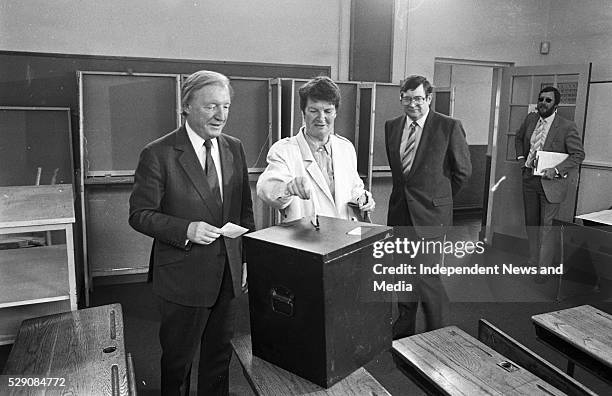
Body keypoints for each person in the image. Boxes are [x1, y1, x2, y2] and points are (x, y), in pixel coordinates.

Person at [129, 70, 254, 395]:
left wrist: (246, 261)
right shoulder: (158, 153)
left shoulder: (234, 148)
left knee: (218, 360)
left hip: (226, 274)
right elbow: (140, 215)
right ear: (186, 106)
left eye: (225, 106)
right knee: (178, 363)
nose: (221, 115)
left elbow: (244, 211)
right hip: (181, 278)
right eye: (211, 106)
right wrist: (186, 229)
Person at [385, 75, 471, 339]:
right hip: (400, 213)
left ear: (429, 99)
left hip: (431, 217)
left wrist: (438, 201)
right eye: (407, 98)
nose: (413, 104)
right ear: (401, 98)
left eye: (419, 98)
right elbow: (400, 175)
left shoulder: (448, 126)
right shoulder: (391, 126)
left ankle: (438, 332)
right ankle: (405, 326)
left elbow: (463, 173)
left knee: (427, 278)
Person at [257, 76, 374, 222]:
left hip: (345, 237)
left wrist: (362, 198)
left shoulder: (346, 148)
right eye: (314, 110)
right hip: (305, 239)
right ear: (303, 112)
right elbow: (266, 189)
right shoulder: (284, 151)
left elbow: (355, 187)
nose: (321, 117)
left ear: (335, 113)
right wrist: (287, 188)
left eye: (328, 111)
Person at [515, 86, 584, 283]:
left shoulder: (566, 126)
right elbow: (519, 138)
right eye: (541, 99)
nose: (543, 103)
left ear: (556, 105)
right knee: (532, 223)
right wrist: (521, 158)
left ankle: (543, 269)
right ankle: (533, 260)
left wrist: (557, 169)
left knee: (546, 226)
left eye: (548, 100)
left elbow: (578, 154)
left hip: (551, 183)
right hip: (529, 178)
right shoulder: (530, 119)